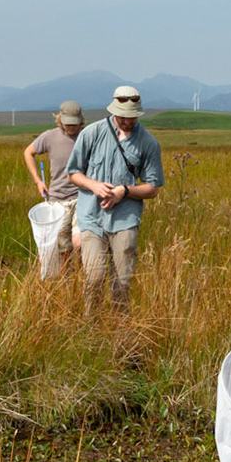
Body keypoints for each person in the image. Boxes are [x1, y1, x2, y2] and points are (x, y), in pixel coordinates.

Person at [62, 85, 165, 308]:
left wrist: (124, 191)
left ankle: (119, 330)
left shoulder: (148, 143)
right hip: (91, 217)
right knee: (95, 277)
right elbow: (73, 173)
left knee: (122, 281)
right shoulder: (92, 133)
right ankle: (91, 330)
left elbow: (153, 189)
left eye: (132, 117)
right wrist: (94, 186)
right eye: (123, 117)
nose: (128, 121)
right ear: (113, 111)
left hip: (125, 220)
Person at [23, 101, 87, 264]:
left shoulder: (87, 135)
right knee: (63, 248)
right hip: (58, 200)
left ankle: (80, 276)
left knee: (79, 244)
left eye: (74, 124)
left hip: (83, 197)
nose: (71, 127)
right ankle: (67, 283)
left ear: (81, 121)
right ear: (60, 120)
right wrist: (38, 181)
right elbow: (28, 153)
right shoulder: (50, 136)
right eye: (67, 123)